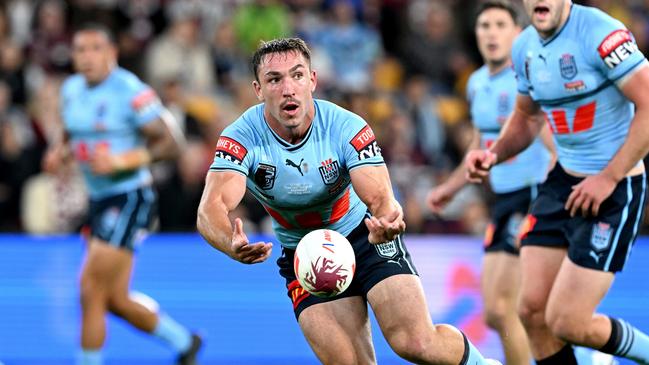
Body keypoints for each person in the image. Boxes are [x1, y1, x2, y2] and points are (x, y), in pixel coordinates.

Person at [196, 37, 500, 365]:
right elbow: (211, 207)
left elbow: (381, 196)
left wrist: (386, 220)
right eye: (275, 79)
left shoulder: (345, 127)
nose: (288, 89)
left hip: (365, 236)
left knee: (415, 342)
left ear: (312, 80)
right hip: (305, 255)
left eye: (297, 76)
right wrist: (230, 241)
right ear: (258, 89)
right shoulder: (241, 137)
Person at [465, 1, 649, 364]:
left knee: (569, 322)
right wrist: (494, 153)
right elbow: (526, 116)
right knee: (531, 312)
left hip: (616, 186)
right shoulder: (524, 47)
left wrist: (608, 177)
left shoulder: (601, 34)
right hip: (562, 183)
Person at [43, 24, 202, 365]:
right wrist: (61, 151)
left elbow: (173, 143)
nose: (86, 57)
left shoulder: (129, 90)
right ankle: (184, 341)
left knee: (89, 289)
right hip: (99, 199)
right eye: (80, 50)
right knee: (112, 299)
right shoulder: (71, 89)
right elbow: (72, 129)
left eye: (95, 49)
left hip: (130, 196)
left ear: (112, 53)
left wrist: (124, 160)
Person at [427, 1, 553, 364]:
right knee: (500, 312)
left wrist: (558, 185)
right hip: (505, 199)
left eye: (500, 24)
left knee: (505, 307)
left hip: (535, 195)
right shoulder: (478, 83)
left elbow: (549, 135)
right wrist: (450, 189)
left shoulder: (527, 76)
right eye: (484, 26)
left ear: (518, 32)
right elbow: (478, 146)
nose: (491, 33)